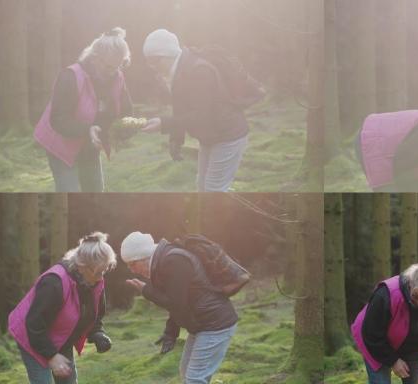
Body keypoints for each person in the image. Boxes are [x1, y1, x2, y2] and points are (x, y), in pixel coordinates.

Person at [140, 29, 258, 192]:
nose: (152, 66)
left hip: (227, 136)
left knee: (213, 190)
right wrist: (176, 139)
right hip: (210, 137)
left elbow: (202, 115)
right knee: (203, 188)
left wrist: (163, 124)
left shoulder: (199, 71)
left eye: (155, 60)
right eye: (148, 62)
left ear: (168, 54)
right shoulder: (180, 69)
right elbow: (181, 108)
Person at [121, 231, 238, 384]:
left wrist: (146, 290)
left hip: (215, 324)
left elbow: (176, 302)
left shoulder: (174, 261)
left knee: (195, 379)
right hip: (202, 324)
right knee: (186, 373)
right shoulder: (165, 261)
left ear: (144, 257)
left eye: (132, 264)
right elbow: (180, 303)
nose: (132, 270)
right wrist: (171, 333)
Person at [8, 233, 116, 384]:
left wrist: (97, 332)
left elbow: (94, 315)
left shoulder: (95, 282)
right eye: (98, 271)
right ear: (81, 266)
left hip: (62, 336)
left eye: (105, 270)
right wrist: (52, 356)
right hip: (32, 334)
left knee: (68, 380)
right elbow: (34, 324)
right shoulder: (54, 283)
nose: (101, 277)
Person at [34, 28, 133, 192]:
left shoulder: (117, 76)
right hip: (61, 144)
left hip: (90, 145)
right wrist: (88, 129)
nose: (114, 72)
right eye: (109, 67)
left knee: (95, 191)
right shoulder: (70, 76)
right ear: (95, 59)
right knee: (69, 191)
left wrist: (125, 130)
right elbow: (58, 119)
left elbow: (126, 111)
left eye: (119, 65)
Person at [351, 260, 418, 384]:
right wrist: (393, 361)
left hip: (412, 344)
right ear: (411, 283)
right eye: (416, 297)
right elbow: (372, 334)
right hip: (376, 342)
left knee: (417, 381)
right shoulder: (387, 294)